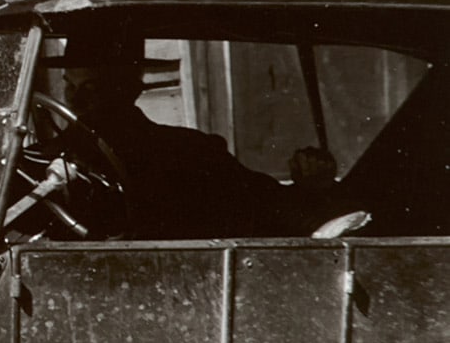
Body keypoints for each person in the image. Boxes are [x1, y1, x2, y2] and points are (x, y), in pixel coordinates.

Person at [48, 31, 315, 240]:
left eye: (91, 88)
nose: (75, 100)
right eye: (69, 85)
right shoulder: (45, 160)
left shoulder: (189, 151)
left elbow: (262, 200)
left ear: (129, 89)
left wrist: (315, 192)